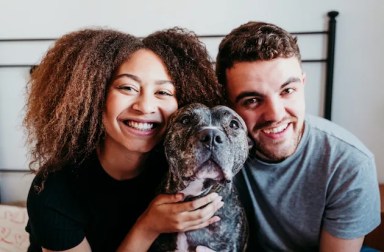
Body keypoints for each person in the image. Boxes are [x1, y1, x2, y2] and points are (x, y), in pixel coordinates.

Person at [24, 27, 225, 252]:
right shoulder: (55, 190)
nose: (145, 107)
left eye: (164, 92)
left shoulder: (181, 172)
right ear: (94, 96)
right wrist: (148, 226)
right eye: (128, 88)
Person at [215, 21, 381, 251]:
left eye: (287, 91)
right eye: (252, 100)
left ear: (302, 84)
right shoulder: (213, 150)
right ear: (228, 105)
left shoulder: (349, 165)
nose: (275, 115)